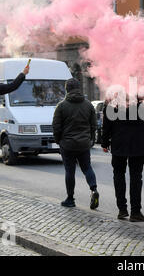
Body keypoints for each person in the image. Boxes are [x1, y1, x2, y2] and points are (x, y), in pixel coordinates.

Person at [101, 96, 144, 222]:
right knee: (136, 177)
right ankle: (135, 211)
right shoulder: (141, 101)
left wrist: (104, 142)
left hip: (119, 142)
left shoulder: (113, 102)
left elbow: (106, 124)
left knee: (119, 175)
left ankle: (122, 209)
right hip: (138, 143)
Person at [52, 78, 99, 209]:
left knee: (70, 171)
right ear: (79, 89)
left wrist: (58, 140)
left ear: (67, 89)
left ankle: (70, 198)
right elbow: (94, 125)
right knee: (87, 168)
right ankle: (94, 189)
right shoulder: (88, 105)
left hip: (67, 144)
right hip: (84, 143)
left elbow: (56, 126)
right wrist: (90, 140)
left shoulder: (61, 106)